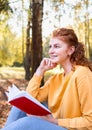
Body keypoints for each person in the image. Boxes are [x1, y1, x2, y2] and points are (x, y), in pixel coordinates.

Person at [1, 28, 92, 130]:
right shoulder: (55, 79)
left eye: (56, 46)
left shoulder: (83, 74)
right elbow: (30, 99)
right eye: (50, 47)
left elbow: (90, 121)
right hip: (58, 126)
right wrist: (40, 71)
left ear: (70, 50)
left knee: (28, 122)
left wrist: (53, 121)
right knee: (19, 106)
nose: (51, 51)